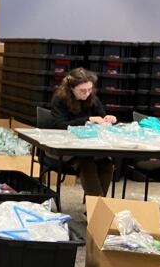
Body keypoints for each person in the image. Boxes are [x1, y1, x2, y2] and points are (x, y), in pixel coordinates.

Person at [50, 67, 117, 197]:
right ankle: (97, 207)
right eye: (82, 91)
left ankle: (95, 207)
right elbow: (60, 125)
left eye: (89, 89)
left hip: (89, 146)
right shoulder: (60, 99)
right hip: (66, 147)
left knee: (107, 164)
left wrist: (109, 119)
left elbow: (102, 118)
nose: (86, 94)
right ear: (71, 89)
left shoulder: (92, 98)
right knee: (87, 165)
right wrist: (87, 120)